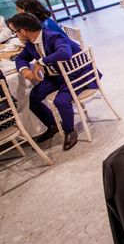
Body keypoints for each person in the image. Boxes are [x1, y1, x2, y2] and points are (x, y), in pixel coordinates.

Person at [7, 12, 94, 151]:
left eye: (15, 32)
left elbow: (65, 53)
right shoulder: (31, 43)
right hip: (56, 76)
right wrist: (24, 70)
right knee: (33, 97)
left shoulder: (53, 36)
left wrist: (41, 61)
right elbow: (20, 59)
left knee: (61, 101)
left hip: (76, 74)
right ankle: (52, 125)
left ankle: (70, 131)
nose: (15, 35)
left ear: (23, 31)